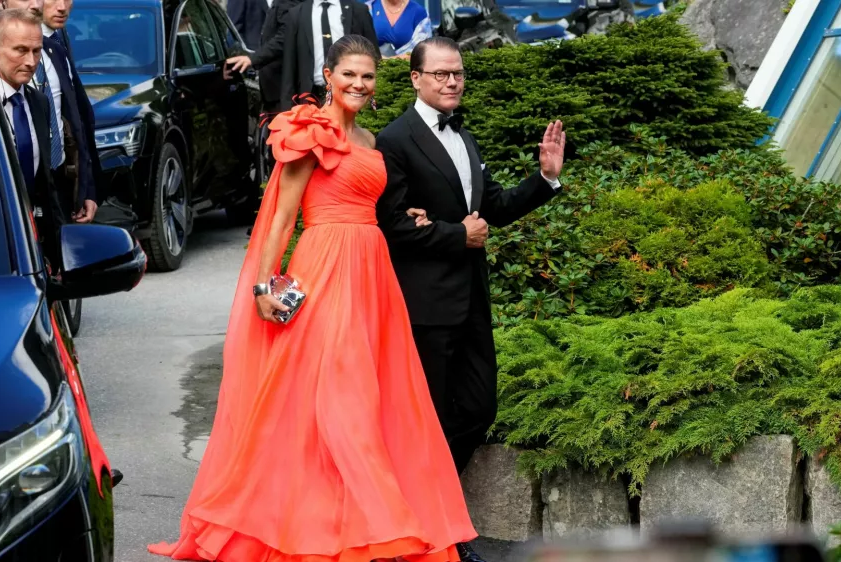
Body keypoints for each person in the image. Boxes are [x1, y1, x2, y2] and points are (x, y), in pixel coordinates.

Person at [148, 35, 476, 562]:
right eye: (349, 74)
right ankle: (335, 524)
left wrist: (412, 215)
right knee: (335, 395)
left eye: (368, 76)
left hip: (373, 273)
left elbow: (379, 204)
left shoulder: (370, 140)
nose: (359, 85)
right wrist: (263, 285)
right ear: (328, 74)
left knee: (370, 399)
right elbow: (280, 218)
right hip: (324, 269)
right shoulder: (308, 132)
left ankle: (356, 520)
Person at [375, 36, 567, 562]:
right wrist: (455, 236)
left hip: (472, 304)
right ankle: (441, 538)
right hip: (424, 307)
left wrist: (546, 178)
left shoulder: (466, 136)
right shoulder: (394, 140)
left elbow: (494, 208)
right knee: (429, 422)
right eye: (440, 74)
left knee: (479, 408)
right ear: (415, 78)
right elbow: (389, 227)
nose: (452, 81)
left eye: (457, 73)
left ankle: (422, 510)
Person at [0, 8, 68, 270]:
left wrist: (58, 255)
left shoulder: (38, 103)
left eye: (36, 51)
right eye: (20, 50)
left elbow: (45, 182)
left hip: (31, 243)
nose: (31, 61)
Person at [41, 0, 100, 224]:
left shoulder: (57, 44)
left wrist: (87, 189)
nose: (62, 7)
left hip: (63, 181)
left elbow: (77, 120)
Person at [279, 0, 379, 108]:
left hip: (353, 92)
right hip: (310, 96)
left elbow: (373, 55)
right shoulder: (297, 13)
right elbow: (289, 63)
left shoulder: (359, 10)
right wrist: (286, 106)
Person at [365, 0, 431, 59]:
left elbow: (422, 51)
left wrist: (389, 61)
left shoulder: (419, 12)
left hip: (407, 67)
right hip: (372, 66)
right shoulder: (368, 8)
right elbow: (360, 45)